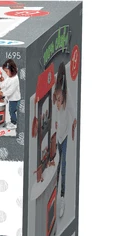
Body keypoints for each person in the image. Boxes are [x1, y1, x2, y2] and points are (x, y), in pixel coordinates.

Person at [53, 61, 77, 215]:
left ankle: (62, 198)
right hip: (57, 136)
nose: (58, 100)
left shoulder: (68, 99)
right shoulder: (55, 95)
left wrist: (73, 126)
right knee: (56, 166)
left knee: (63, 167)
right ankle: (54, 196)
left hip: (65, 136)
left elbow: (74, 115)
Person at [0, 59, 21, 129]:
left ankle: (14, 123)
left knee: (12, 111)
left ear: (12, 70)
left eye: (6, 71)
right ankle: (12, 121)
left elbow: (11, 91)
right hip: (11, 98)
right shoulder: (9, 77)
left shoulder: (15, 79)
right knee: (10, 110)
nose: (6, 73)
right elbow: (5, 83)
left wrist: (3, 93)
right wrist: (0, 87)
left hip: (14, 99)